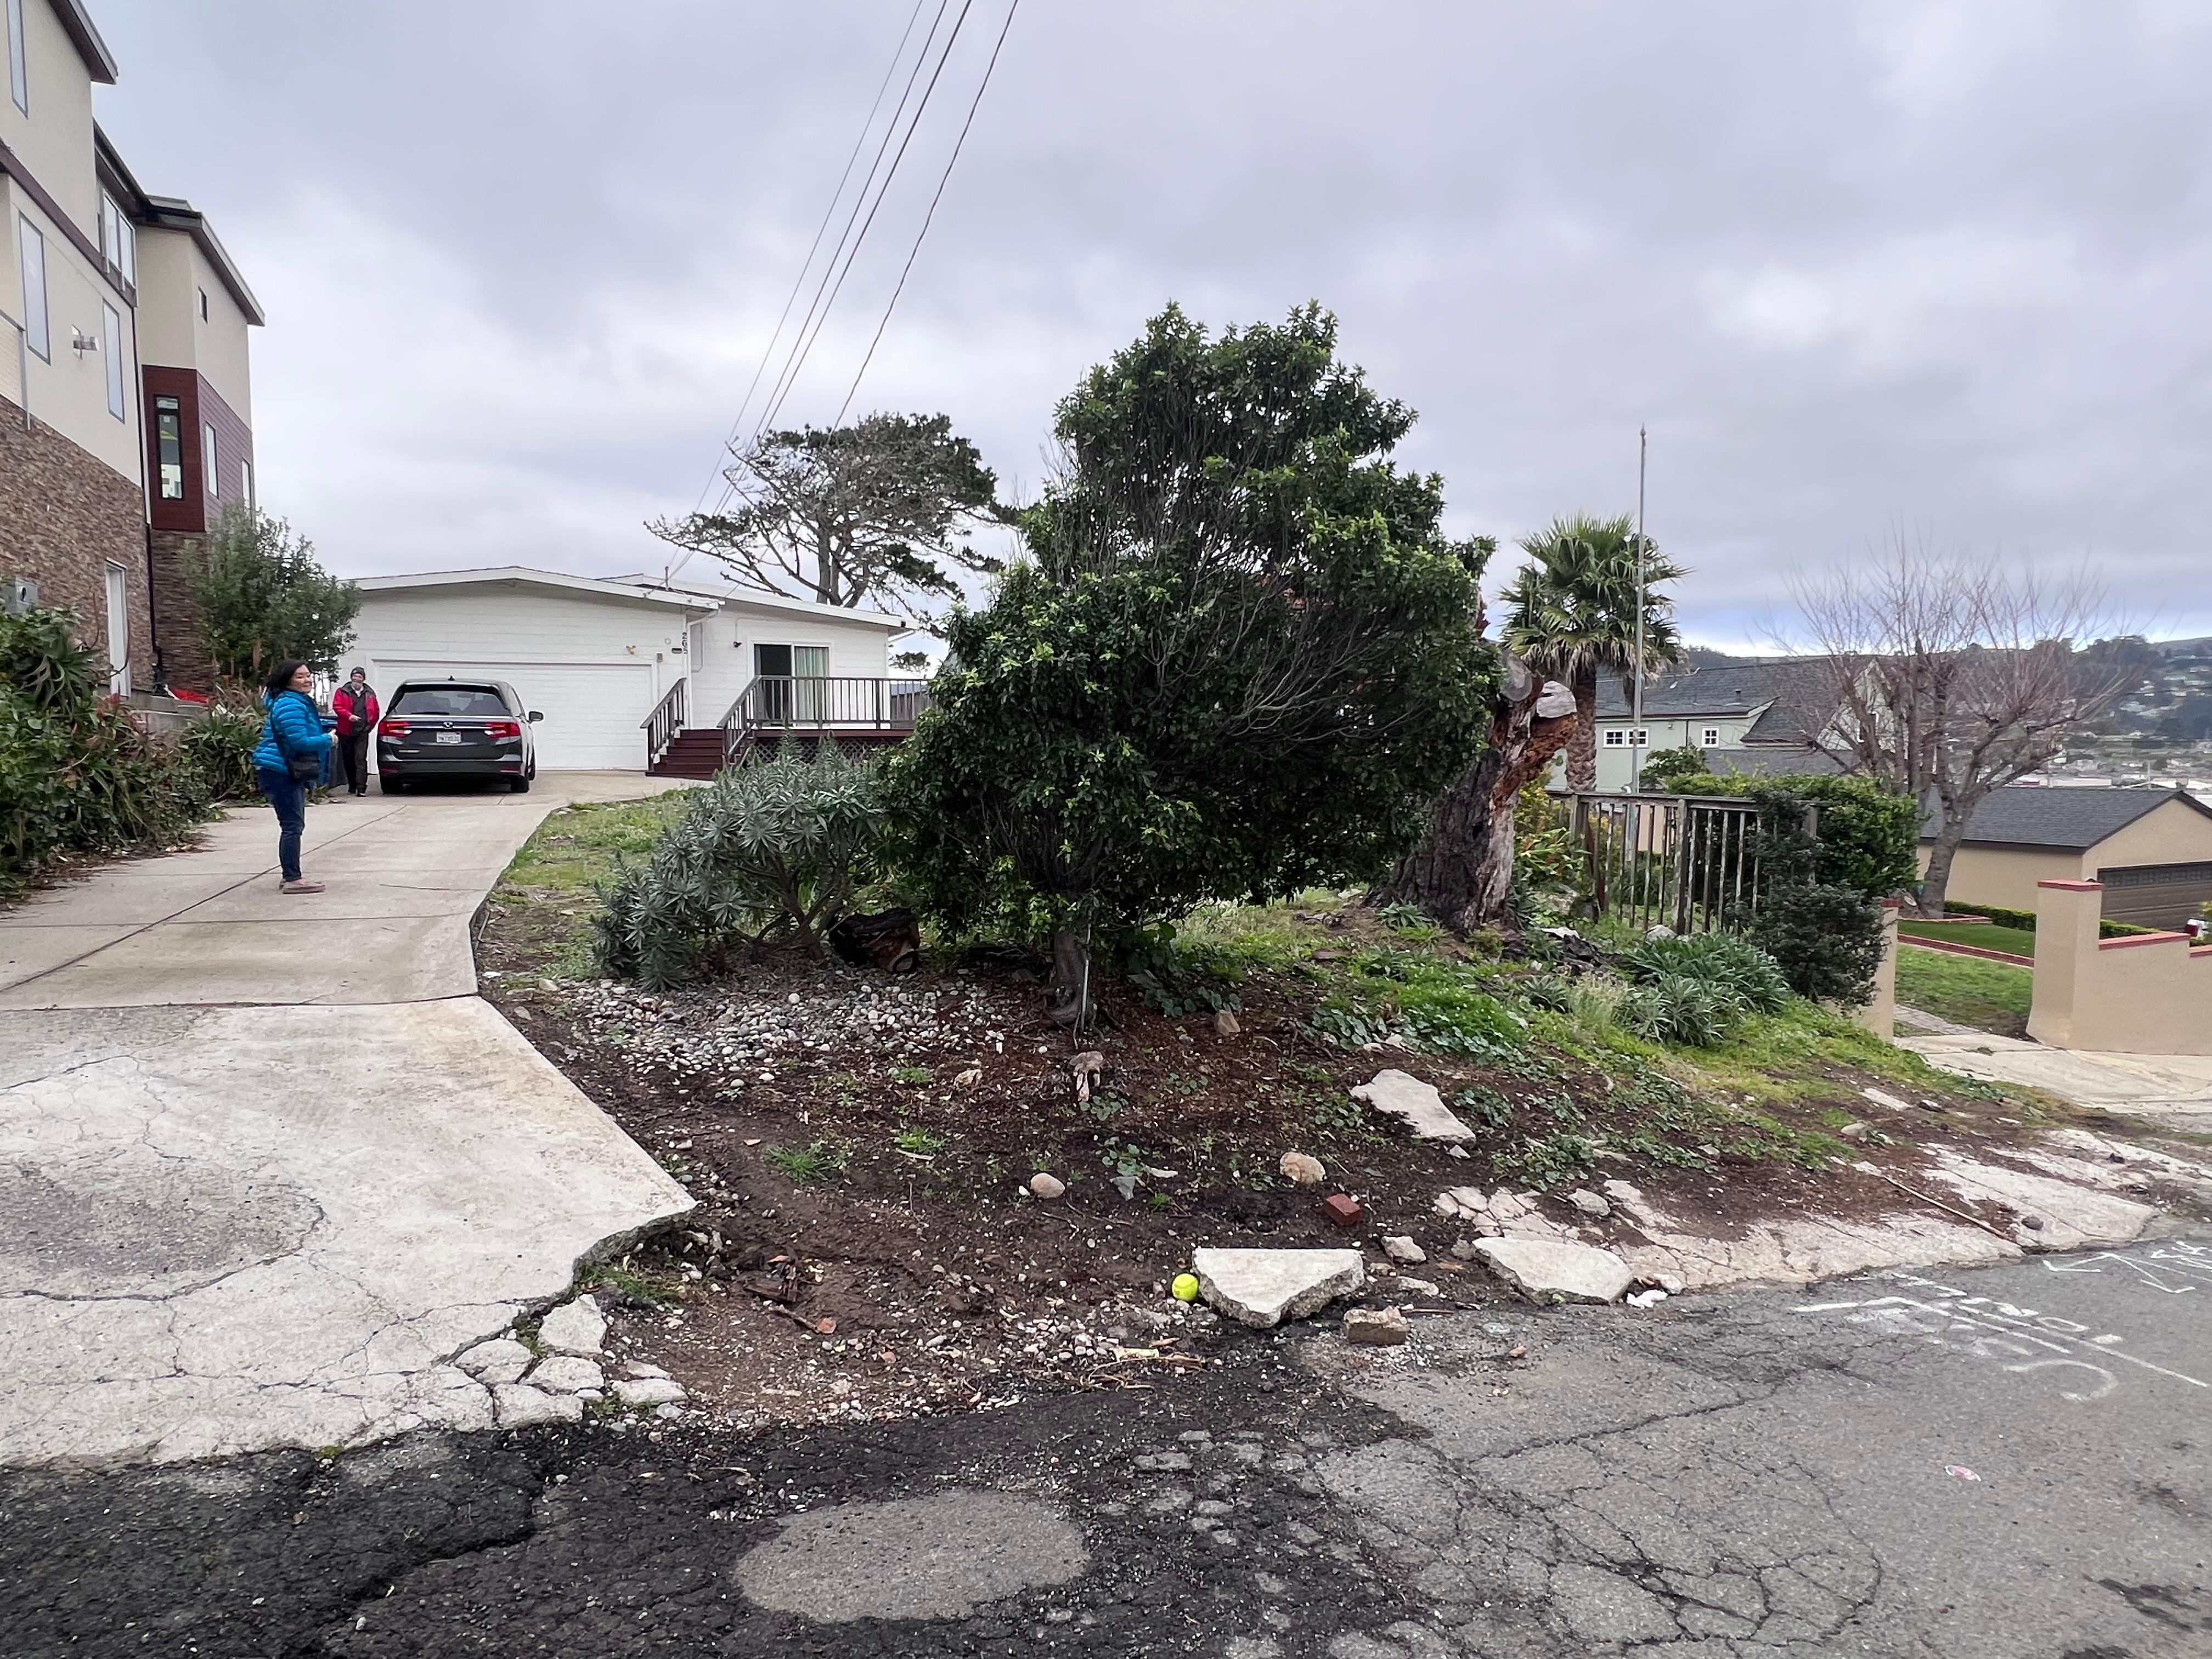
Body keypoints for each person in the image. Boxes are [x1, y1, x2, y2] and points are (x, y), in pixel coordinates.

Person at [252, 659, 335, 894]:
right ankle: (292, 878)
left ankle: (291, 875)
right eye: (300, 676)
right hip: (280, 770)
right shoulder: (291, 704)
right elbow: (299, 742)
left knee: (293, 825)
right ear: (288, 680)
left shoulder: (291, 701)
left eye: (308, 675)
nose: (307, 680)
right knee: (292, 826)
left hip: (280, 769)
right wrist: (329, 740)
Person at [331, 667, 380, 796]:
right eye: (355, 676)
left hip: (363, 731)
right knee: (348, 759)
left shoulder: (370, 694)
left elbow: (376, 712)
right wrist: (349, 716)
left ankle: (362, 788)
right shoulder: (342, 692)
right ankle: (352, 785)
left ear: (363, 679)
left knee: (360, 759)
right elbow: (337, 706)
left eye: (360, 677)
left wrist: (370, 726)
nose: (357, 679)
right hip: (346, 731)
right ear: (351, 678)